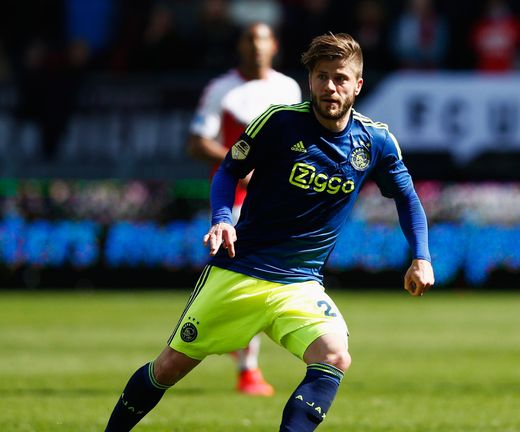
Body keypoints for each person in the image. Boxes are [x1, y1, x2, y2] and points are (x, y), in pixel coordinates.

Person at [105, 32, 435, 431]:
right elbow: (229, 169)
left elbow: (408, 198)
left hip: (301, 283)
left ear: (358, 84)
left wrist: (420, 256)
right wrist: (223, 218)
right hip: (239, 272)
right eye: (322, 76)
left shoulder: (376, 140)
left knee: (334, 355)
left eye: (341, 78)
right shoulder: (280, 122)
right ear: (310, 80)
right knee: (170, 367)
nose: (330, 87)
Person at [187, 21, 302, 396]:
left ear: (275, 46)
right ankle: (244, 367)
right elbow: (197, 142)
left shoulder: (288, 88)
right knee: (248, 281)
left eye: (263, 39)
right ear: (240, 45)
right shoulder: (223, 89)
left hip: (276, 200)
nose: (257, 47)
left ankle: (235, 358)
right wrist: (240, 166)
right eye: (251, 39)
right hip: (234, 203)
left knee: (252, 282)